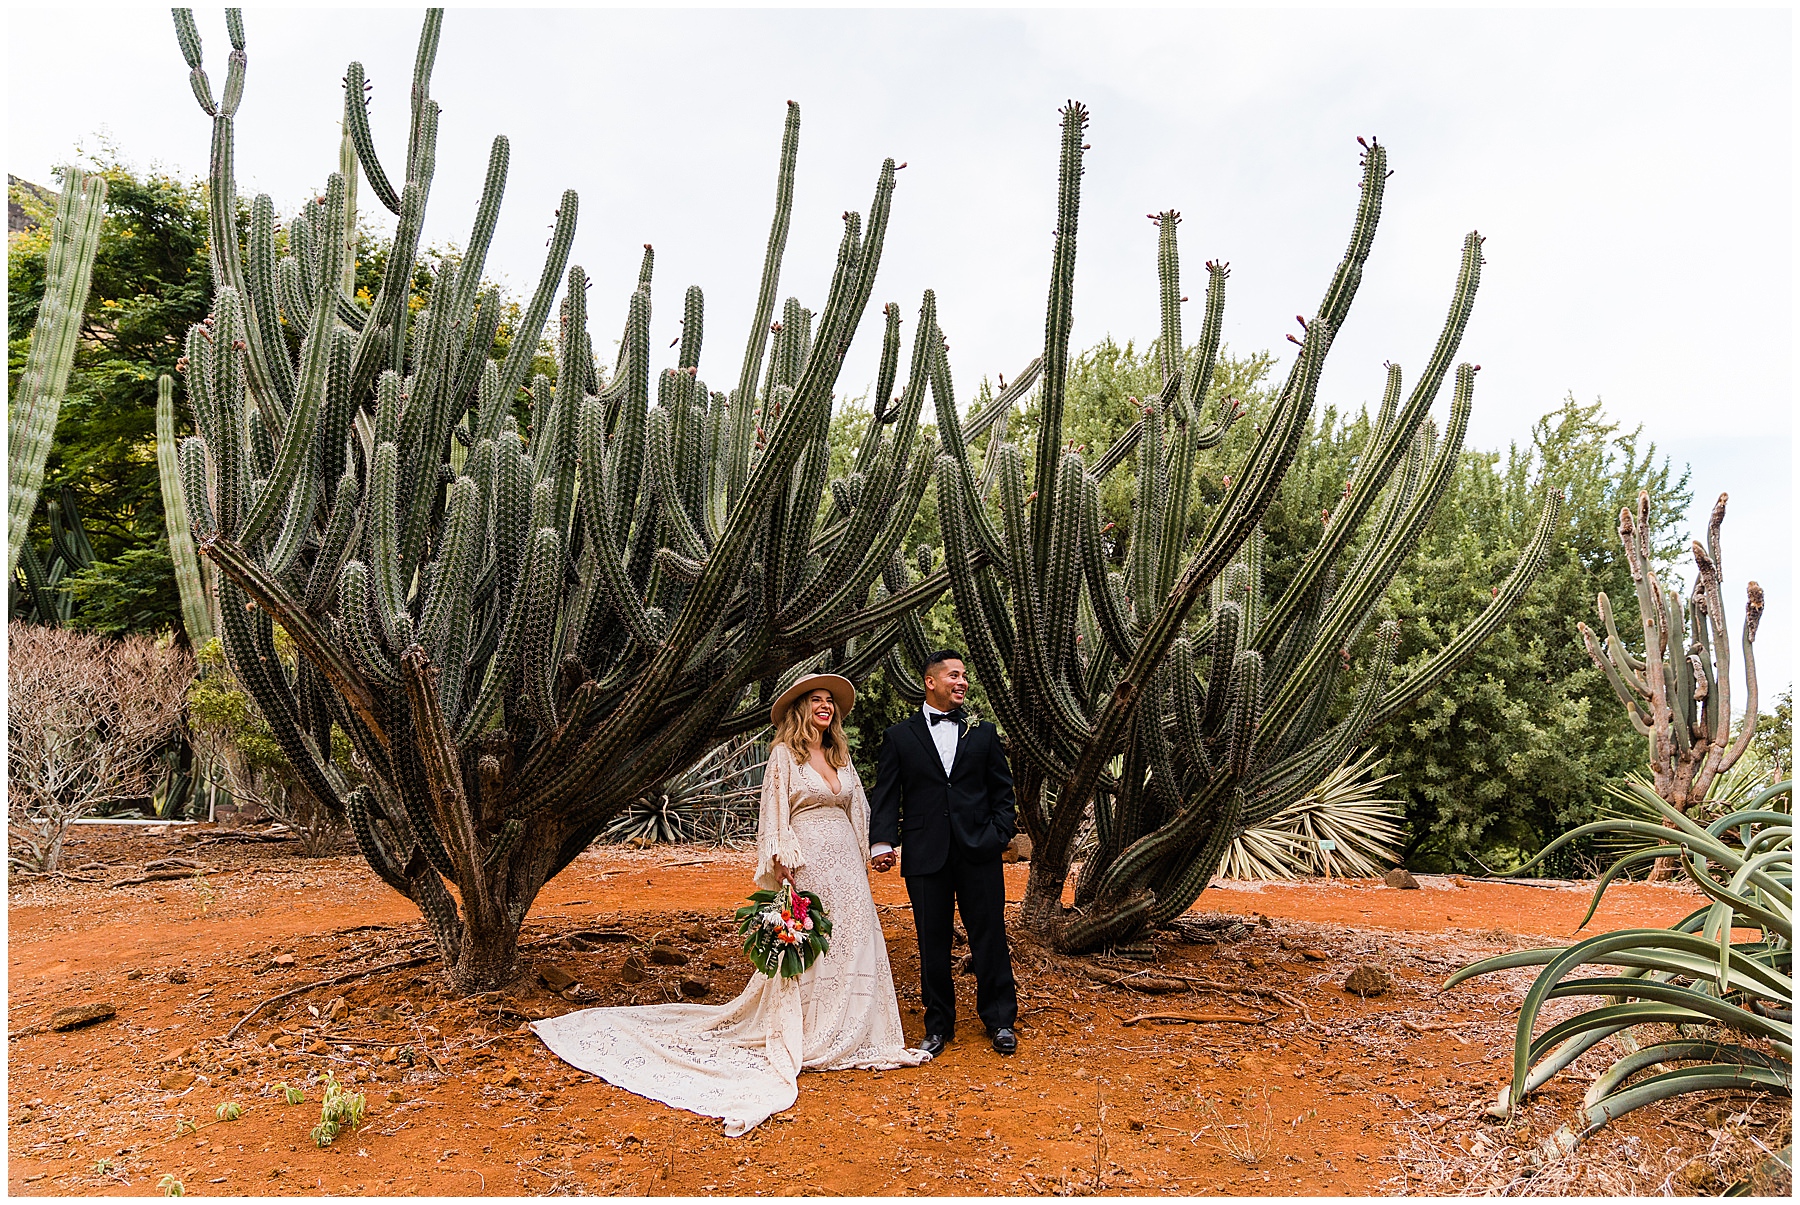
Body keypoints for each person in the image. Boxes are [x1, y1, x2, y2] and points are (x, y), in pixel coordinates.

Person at [531, 673, 927, 1136]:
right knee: (817, 945)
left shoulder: (839, 756)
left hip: (845, 860)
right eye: (816, 701)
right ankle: (813, 1031)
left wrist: (870, 850)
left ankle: (860, 1029)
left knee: (854, 940)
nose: (825, 707)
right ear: (802, 710)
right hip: (810, 861)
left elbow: (857, 806)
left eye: (830, 702)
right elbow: (774, 811)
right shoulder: (785, 755)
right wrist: (781, 861)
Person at [868, 650, 1020, 1057]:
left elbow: (1003, 793)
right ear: (930, 682)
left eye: (965, 676)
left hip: (979, 852)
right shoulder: (899, 737)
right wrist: (882, 843)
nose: (963, 682)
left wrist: (998, 835)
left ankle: (1001, 1020)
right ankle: (938, 1026)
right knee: (931, 941)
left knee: (989, 936)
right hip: (925, 853)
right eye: (954, 675)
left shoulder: (983, 733)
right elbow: (887, 794)